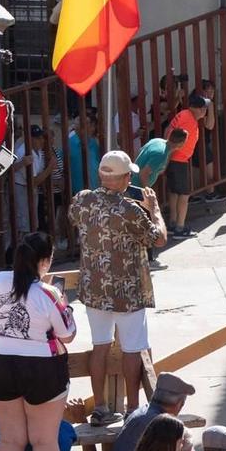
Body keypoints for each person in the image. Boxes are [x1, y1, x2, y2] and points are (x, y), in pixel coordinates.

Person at [0, 231, 76, 451]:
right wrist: (65, 304)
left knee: (10, 441)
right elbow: (68, 334)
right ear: (45, 261)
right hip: (40, 366)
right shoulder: (48, 293)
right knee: (44, 440)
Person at [69, 150, 168, 417]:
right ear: (125, 178)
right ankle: (133, 408)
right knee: (132, 348)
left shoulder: (82, 201)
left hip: (94, 288)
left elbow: (75, 219)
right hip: (128, 291)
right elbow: (158, 239)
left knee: (99, 346)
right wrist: (154, 210)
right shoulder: (130, 210)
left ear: (102, 175)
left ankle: (100, 406)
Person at [164, 94, 205, 237]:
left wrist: (168, 150)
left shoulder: (183, 115)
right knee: (184, 194)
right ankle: (180, 228)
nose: (204, 111)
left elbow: (168, 130)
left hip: (173, 158)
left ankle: (173, 223)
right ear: (199, 109)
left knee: (175, 192)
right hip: (179, 160)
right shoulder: (188, 119)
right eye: (204, 108)